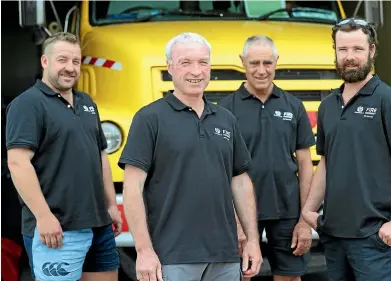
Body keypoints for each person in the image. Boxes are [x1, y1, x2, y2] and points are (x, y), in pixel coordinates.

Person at [118, 32, 262, 281]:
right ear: (170, 67)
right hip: (171, 257)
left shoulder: (226, 119)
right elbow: (132, 188)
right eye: (185, 63)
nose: (196, 71)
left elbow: (240, 182)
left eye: (202, 62)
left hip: (225, 256)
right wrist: (143, 251)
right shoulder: (149, 119)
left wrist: (252, 241)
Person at [302, 18, 391, 281]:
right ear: (335, 52)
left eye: (358, 49)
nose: (350, 57)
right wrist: (309, 210)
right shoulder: (328, 107)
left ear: (371, 51)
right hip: (334, 237)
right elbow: (326, 161)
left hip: (375, 237)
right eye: (343, 49)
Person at [6, 32, 122, 281]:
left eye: (76, 61)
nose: (70, 68)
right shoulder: (27, 104)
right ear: (45, 62)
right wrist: (44, 217)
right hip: (57, 229)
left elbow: (100, 155)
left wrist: (111, 204)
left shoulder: (87, 102)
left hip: (99, 225)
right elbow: (17, 162)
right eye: (62, 60)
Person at [218, 35, 315, 281]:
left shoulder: (294, 106)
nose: (261, 70)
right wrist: (235, 223)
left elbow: (305, 165)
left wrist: (305, 219)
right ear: (243, 62)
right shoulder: (224, 109)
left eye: (267, 63)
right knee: (241, 275)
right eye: (254, 63)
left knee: (290, 276)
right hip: (241, 212)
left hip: (288, 211)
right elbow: (219, 168)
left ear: (276, 62)